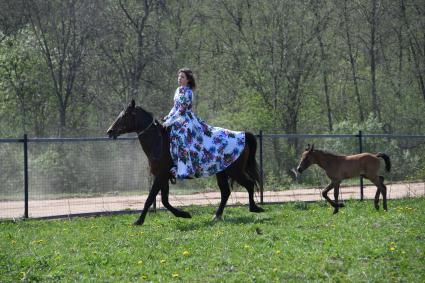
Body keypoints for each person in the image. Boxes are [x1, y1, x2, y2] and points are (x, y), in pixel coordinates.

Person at [163, 68, 245, 180]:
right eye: (179, 76)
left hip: (186, 119)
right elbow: (175, 107)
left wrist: (170, 120)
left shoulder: (189, 92)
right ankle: (174, 164)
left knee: (181, 136)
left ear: (188, 80)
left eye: (182, 77)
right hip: (176, 119)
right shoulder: (177, 90)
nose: (179, 78)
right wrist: (168, 116)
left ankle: (184, 169)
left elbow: (182, 109)